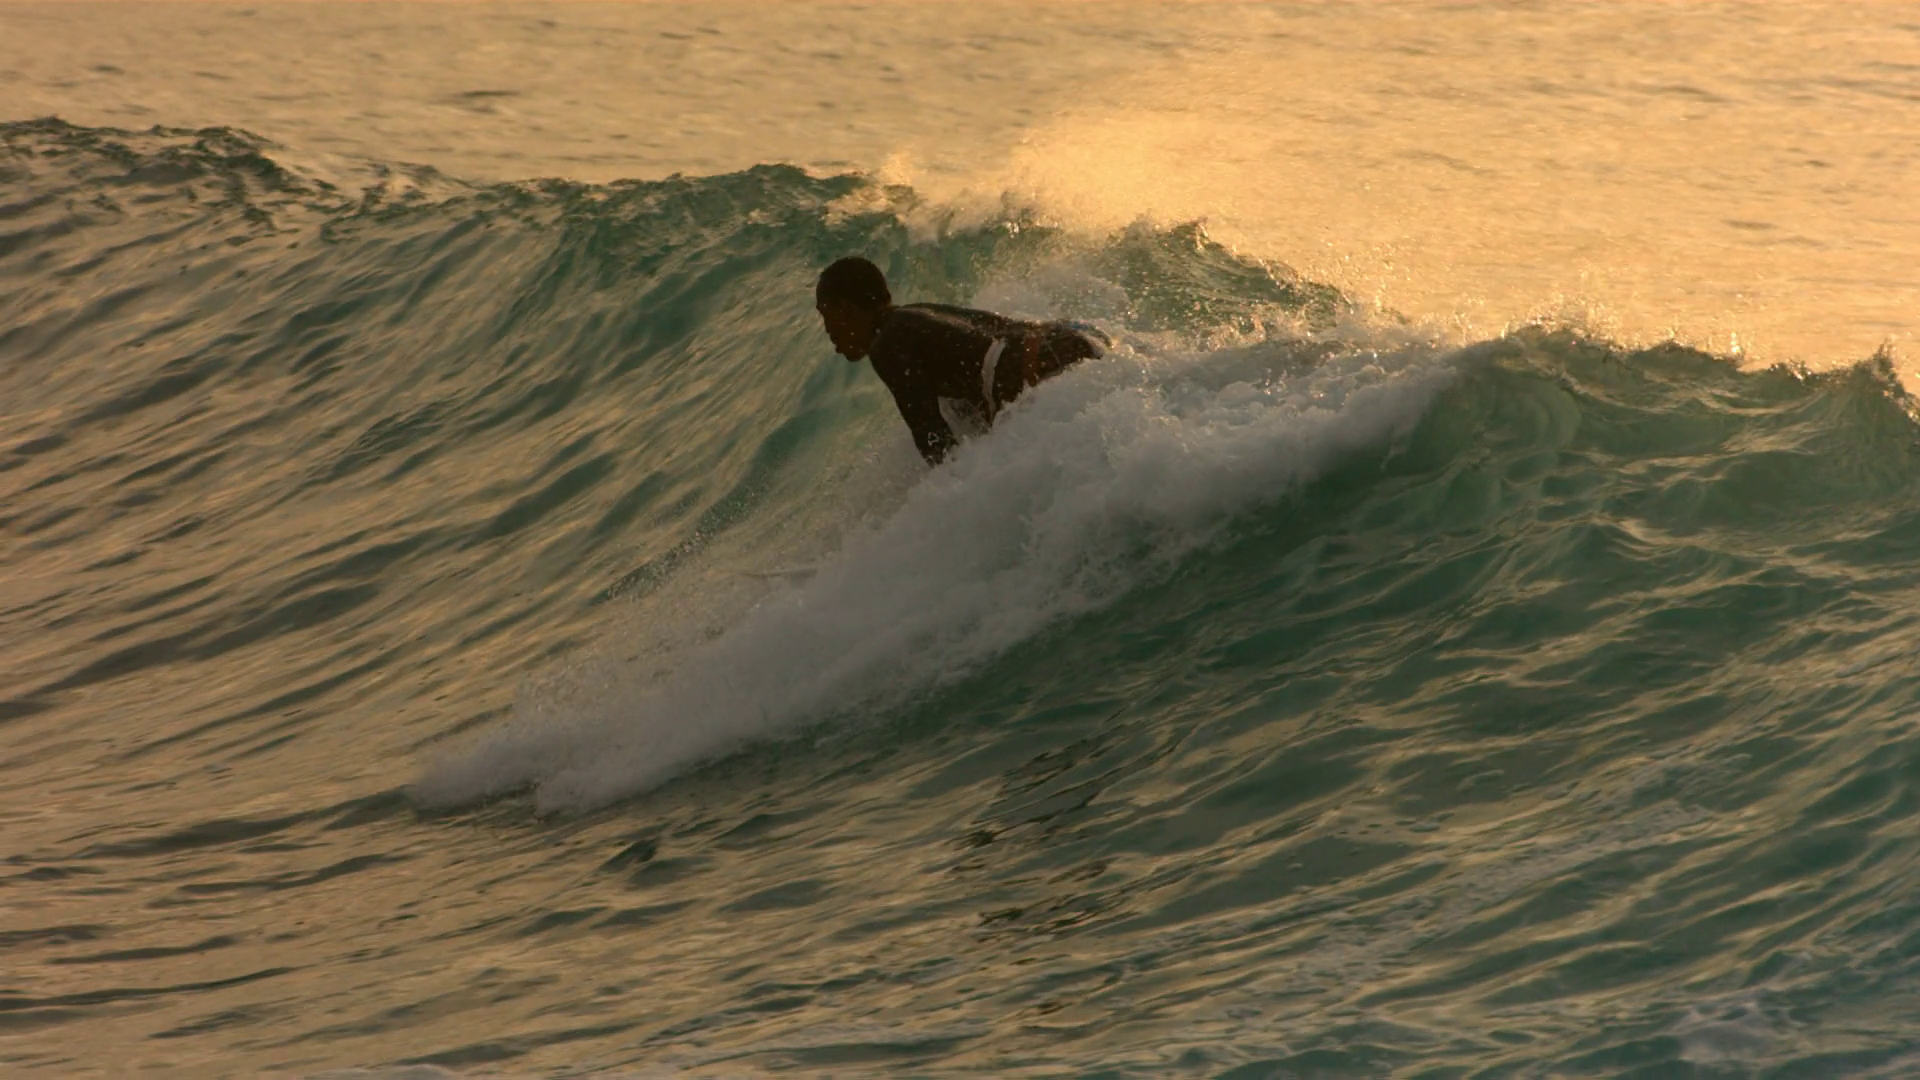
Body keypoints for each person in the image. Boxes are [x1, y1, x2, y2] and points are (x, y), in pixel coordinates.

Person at [814, 256, 1107, 465]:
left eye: (826, 315)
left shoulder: (887, 344)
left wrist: (958, 502)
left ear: (845, 310)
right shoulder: (914, 319)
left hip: (1041, 364)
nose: (827, 330)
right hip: (1066, 340)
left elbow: (931, 435)